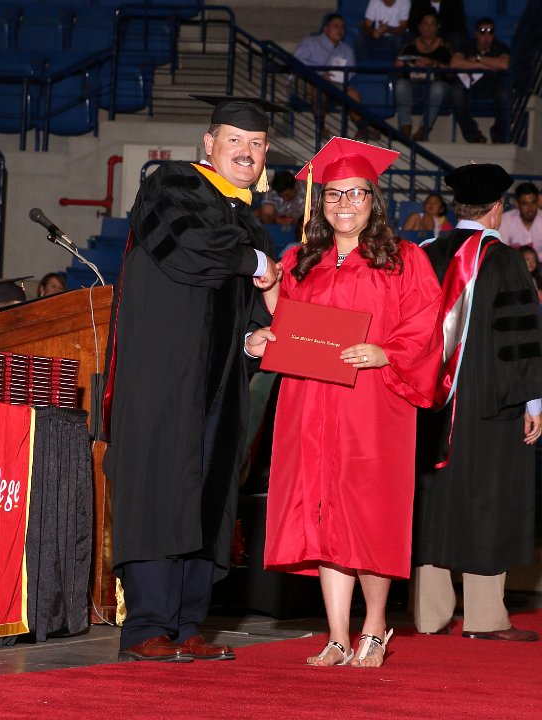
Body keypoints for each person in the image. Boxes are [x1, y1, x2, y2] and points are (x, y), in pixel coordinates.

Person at [247, 137, 443, 667]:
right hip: (310, 400)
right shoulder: (300, 259)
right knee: (323, 512)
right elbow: (288, 321)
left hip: (374, 402)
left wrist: (386, 352)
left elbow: (426, 326)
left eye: (356, 193)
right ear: (320, 202)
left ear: (373, 200)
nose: (343, 204)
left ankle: (374, 629)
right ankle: (337, 636)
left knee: (370, 512)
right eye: (333, 195)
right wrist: (265, 318)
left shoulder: (404, 259)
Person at [101, 97, 282, 663]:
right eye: (235, 140)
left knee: (207, 487)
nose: (246, 152)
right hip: (163, 375)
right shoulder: (172, 184)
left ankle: (186, 624)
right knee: (161, 483)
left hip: (219, 386)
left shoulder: (250, 220)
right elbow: (189, 250)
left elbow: (243, 311)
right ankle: (146, 625)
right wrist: (254, 262)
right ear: (209, 143)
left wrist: (253, 341)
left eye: (257, 144)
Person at [413, 163, 542, 642]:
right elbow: (520, 337)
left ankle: (429, 616)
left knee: (432, 500)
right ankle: (485, 618)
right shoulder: (506, 260)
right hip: (491, 404)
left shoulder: (425, 254)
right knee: (488, 497)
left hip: (431, 402)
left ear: (457, 207)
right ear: (495, 209)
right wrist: (533, 403)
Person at [293, 13, 378, 140]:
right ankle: (321, 127)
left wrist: (339, 77)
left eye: (342, 27)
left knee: (353, 94)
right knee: (318, 85)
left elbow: (350, 72)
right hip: (307, 80)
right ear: (326, 28)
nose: (340, 30)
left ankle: (362, 128)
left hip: (334, 82)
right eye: (336, 26)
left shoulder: (347, 49)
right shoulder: (311, 42)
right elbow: (297, 61)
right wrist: (320, 74)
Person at [449, 17, 511, 144]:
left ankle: (499, 135)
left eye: (490, 32)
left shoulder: (500, 47)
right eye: (482, 31)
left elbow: (504, 64)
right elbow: (454, 62)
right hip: (470, 87)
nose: (486, 36)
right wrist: (482, 66)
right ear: (476, 33)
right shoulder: (467, 46)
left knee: (505, 94)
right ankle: (473, 134)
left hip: (492, 86)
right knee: (456, 92)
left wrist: (478, 59)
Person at [394, 10, 452, 140]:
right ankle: (405, 127)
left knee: (438, 88)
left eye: (432, 24)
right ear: (419, 27)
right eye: (425, 23)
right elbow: (396, 70)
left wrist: (434, 63)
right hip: (414, 85)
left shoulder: (445, 47)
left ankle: (423, 129)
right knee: (401, 85)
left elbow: (451, 73)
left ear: (438, 27)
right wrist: (406, 64)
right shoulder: (409, 46)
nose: (428, 27)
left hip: (437, 87)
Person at [499, 182, 542, 260]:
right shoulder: (506, 220)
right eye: (525, 204)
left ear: (538, 201)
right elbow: (502, 251)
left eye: (533, 203)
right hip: (513, 264)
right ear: (516, 203)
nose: (530, 209)